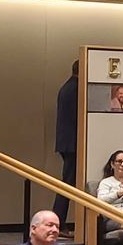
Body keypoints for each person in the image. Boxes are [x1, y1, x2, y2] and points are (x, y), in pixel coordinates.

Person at [54, 60, 79, 223]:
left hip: (66, 142)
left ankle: (59, 220)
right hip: (73, 143)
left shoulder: (67, 87)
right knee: (67, 184)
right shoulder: (76, 89)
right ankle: (59, 221)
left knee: (67, 182)